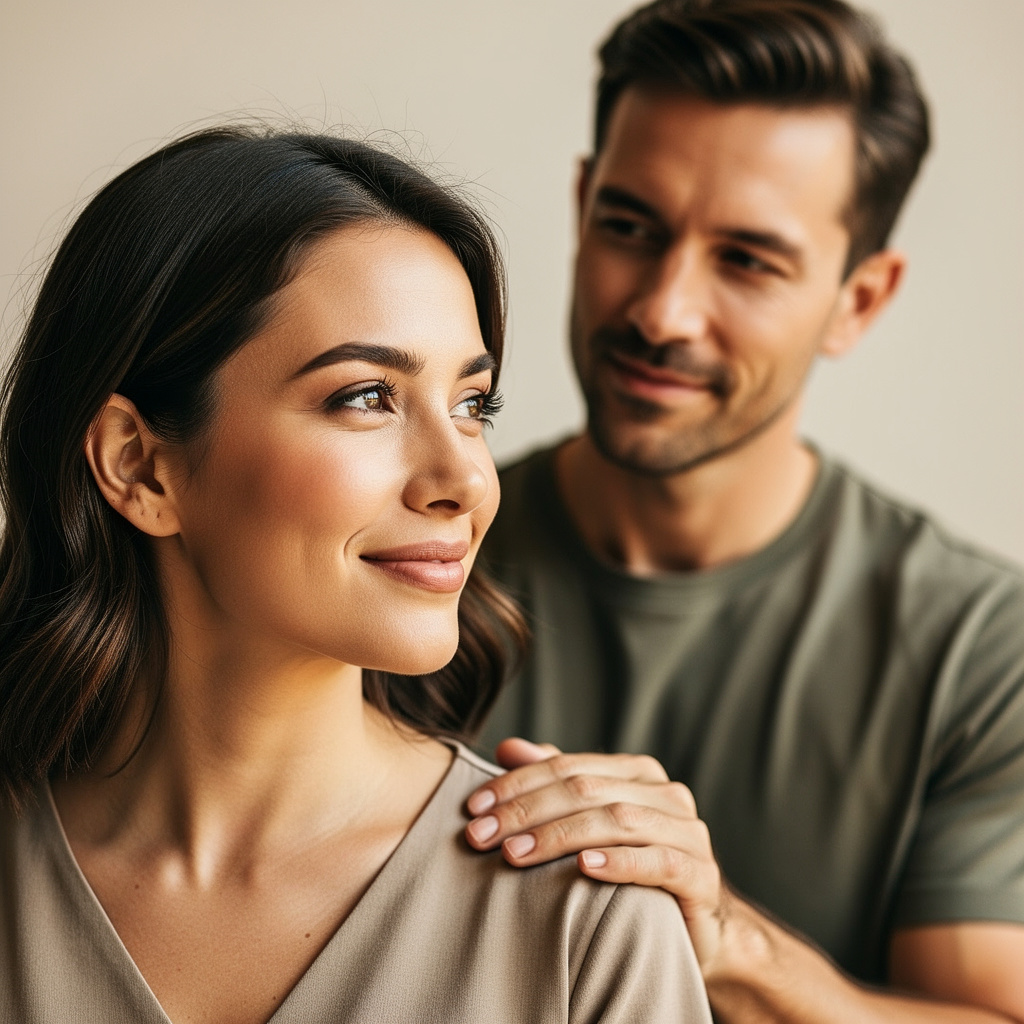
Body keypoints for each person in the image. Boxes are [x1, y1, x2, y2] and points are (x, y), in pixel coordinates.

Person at [0, 127, 712, 1024]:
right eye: (367, 398)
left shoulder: (585, 916)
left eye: (472, 404)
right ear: (138, 466)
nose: (465, 481)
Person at [462, 1, 1024, 1021]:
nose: (661, 310)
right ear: (581, 207)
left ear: (859, 299)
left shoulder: (979, 650)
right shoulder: (402, 559)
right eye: (629, 227)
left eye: (747, 260)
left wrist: (730, 943)